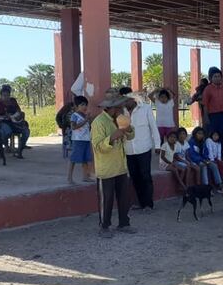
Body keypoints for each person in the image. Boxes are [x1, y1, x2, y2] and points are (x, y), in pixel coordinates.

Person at [91, 90, 135, 237]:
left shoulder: (120, 119)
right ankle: (104, 226)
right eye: (118, 107)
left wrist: (128, 129)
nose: (121, 109)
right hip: (106, 169)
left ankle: (124, 223)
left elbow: (131, 135)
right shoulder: (99, 122)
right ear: (110, 108)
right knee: (107, 199)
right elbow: (97, 146)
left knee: (124, 198)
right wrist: (111, 138)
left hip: (120, 166)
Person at [122, 90, 161, 211]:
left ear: (132, 98)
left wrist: (157, 145)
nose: (124, 102)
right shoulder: (121, 112)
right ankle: (140, 202)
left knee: (145, 176)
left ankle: (148, 204)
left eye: (126, 99)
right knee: (134, 177)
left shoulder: (145, 108)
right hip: (129, 150)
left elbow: (153, 127)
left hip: (144, 148)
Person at [0, 85, 30, 159]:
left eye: (8, 95)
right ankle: (5, 146)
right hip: (3, 122)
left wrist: (17, 116)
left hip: (15, 122)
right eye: (4, 95)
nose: (6, 97)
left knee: (26, 132)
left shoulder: (13, 101)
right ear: (1, 95)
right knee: (7, 131)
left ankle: (19, 150)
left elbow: (19, 111)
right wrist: (2, 117)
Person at [201, 68, 223, 148]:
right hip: (212, 116)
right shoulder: (208, 89)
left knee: (222, 135)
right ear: (211, 78)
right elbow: (205, 104)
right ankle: (211, 157)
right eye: (215, 76)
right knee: (212, 136)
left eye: (219, 76)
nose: (217, 78)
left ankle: (220, 156)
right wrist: (206, 117)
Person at [67, 95, 94, 184]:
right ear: (77, 106)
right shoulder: (74, 116)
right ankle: (69, 177)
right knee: (74, 159)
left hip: (86, 139)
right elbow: (73, 127)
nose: (85, 107)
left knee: (85, 159)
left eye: (86, 105)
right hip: (78, 140)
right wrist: (85, 120)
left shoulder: (85, 115)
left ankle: (85, 176)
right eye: (82, 105)